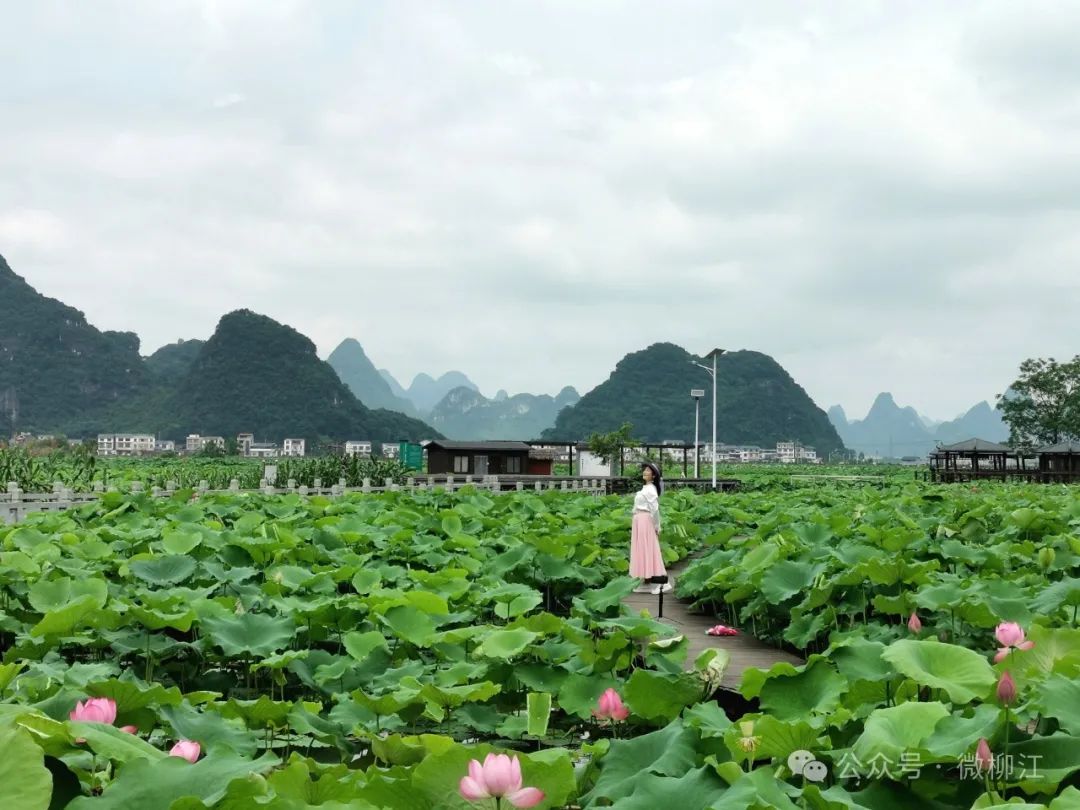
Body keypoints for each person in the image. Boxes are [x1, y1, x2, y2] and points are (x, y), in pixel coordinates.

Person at [630, 462, 670, 594]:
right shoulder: (645, 488)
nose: (645, 472)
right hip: (639, 520)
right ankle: (646, 580)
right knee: (641, 549)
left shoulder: (651, 489)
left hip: (646, 521)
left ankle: (662, 582)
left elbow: (655, 510)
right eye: (645, 470)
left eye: (648, 471)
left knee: (650, 549)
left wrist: (657, 526)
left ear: (653, 475)